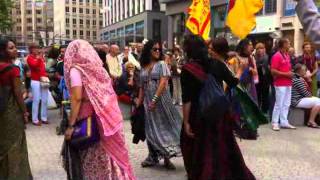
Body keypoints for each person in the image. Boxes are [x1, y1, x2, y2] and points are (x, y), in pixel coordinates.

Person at [180, 35, 255, 180]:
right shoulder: (217, 63)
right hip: (219, 112)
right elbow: (233, 83)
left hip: (199, 115)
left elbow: (187, 99)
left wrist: (186, 122)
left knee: (198, 146)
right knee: (223, 144)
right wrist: (240, 70)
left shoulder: (188, 69)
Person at [62, 40, 135, 179]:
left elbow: (77, 98)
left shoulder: (76, 70)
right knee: (107, 157)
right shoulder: (96, 69)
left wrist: (71, 126)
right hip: (103, 120)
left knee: (91, 159)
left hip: (87, 122)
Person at [137, 40, 182, 169]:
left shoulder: (162, 64)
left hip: (161, 102)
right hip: (147, 103)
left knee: (165, 127)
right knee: (150, 129)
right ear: (148, 51)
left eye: (159, 49)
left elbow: (163, 83)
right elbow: (141, 87)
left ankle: (167, 158)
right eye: (154, 49)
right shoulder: (144, 66)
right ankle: (152, 156)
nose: (158, 51)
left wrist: (154, 100)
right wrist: (139, 103)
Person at [0, 39, 33, 179]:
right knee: (15, 144)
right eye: (11, 48)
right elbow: (18, 94)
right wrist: (25, 112)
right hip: (10, 113)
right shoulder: (12, 69)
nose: (15, 50)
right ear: (3, 51)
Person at [270, 38, 296, 131]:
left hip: (288, 83)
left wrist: (291, 73)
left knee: (286, 103)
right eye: (288, 42)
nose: (289, 44)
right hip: (280, 83)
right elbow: (273, 71)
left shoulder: (287, 55)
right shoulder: (276, 56)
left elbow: (286, 69)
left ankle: (284, 122)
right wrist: (287, 74)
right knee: (279, 104)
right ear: (283, 44)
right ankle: (275, 122)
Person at [27, 43, 49, 126]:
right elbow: (34, 65)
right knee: (36, 100)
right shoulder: (30, 58)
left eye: (37, 48)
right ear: (31, 49)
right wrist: (39, 59)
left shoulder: (40, 58)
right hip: (35, 81)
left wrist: (40, 59)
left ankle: (44, 118)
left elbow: (42, 68)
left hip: (43, 79)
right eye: (35, 48)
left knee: (45, 100)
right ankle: (35, 120)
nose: (37, 49)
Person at [291, 63, 320, 128]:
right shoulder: (298, 80)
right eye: (304, 70)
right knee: (318, 102)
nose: (306, 71)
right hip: (296, 101)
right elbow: (307, 94)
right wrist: (308, 82)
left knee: (317, 101)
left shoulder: (296, 78)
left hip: (298, 99)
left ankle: (312, 120)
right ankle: (311, 121)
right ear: (300, 71)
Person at [255, 43, 271, 114]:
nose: (260, 50)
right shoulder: (254, 58)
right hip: (257, 79)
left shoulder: (267, 57)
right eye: (258, 49)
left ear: (264, 49)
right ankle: (257, 110)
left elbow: (269, 68)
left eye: (261, 48)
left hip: (265, 79)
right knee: (257, 95)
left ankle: (265, 111)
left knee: (265, 95)